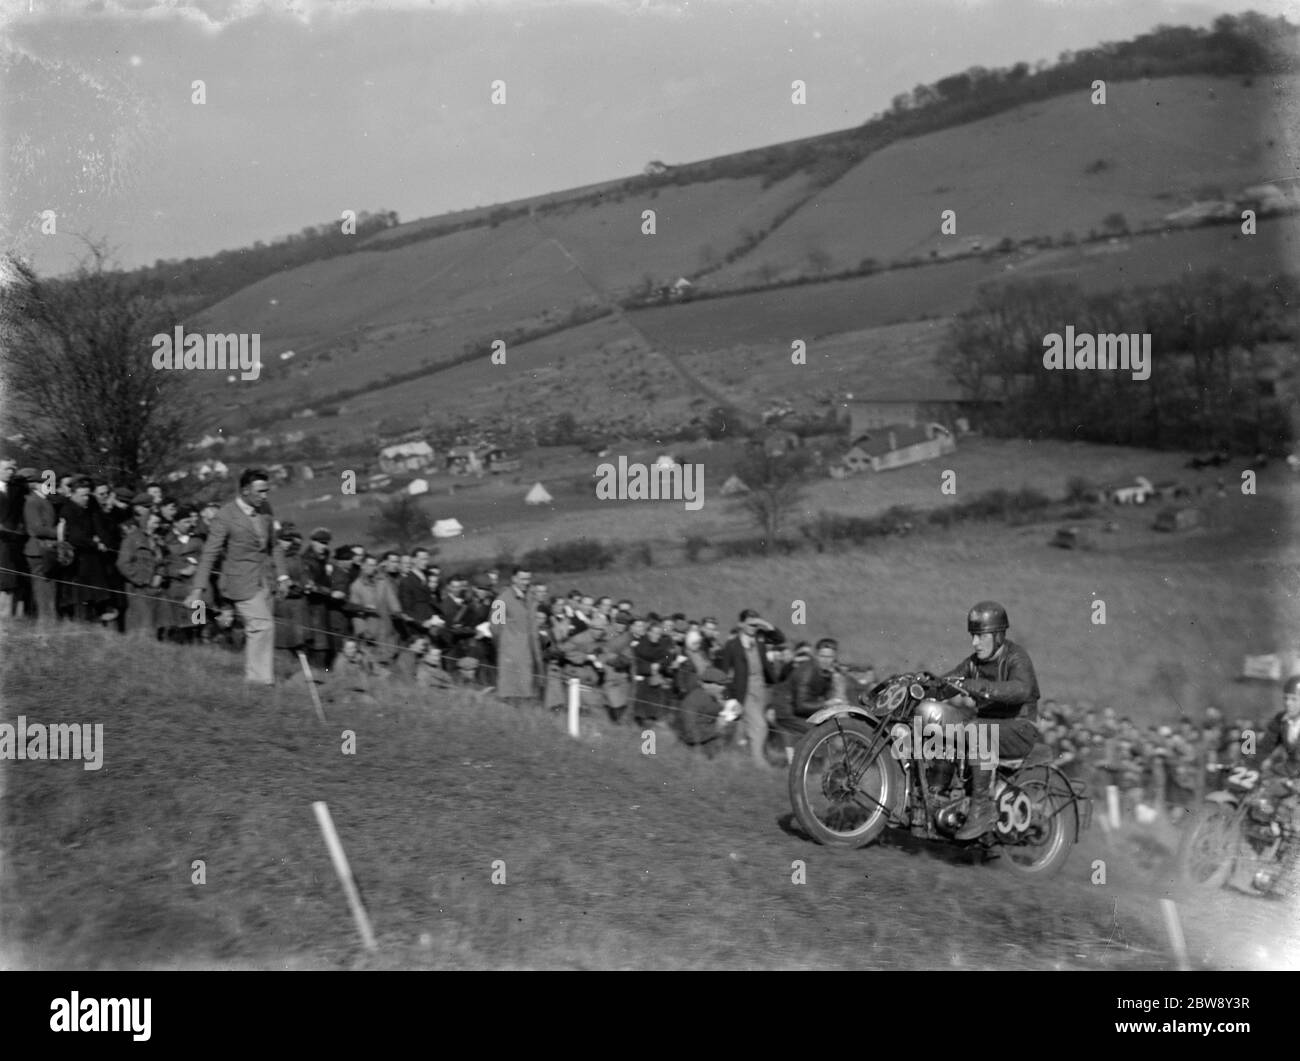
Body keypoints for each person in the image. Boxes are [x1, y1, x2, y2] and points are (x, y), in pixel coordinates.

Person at [943, 601, 1042, 840]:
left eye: (980, 636)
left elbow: (1022, 689)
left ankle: (982, 809)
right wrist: (921, 685)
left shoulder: (1016, 657)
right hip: (990, 727)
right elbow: (948, 683)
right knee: (941, 728)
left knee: (976, 730)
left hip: (1019, 728)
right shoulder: (973, 663)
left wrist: (979, 687)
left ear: (998, 636)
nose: (974, 643)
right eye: (973, 636)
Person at [187, 469, 287, 687]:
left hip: (265, 581)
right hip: (239, 582)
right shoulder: (225, 515)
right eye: (260, 491)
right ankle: (259, 681)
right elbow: (209, 554)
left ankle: (260, 679)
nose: (265, 496)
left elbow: (274, 545)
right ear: (245, 491)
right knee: (262, 626)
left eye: (267, 491)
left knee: (261, 628)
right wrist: (198, 589)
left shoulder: (266, 510)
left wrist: (283, 575)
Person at [718, 609, 784, 768]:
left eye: (756, 624)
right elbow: (724, 672)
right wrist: (730, 697)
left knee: (759, 726)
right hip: (744, 691)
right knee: (759, 725)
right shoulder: (732, 645)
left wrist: (765, 625)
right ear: (740, 624)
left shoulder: (760, 641)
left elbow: (779, 639)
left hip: (762, 689)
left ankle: (751, 756)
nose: (753, 627)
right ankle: (759, 764)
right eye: (750, 624)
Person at [769, 637, 841, 763]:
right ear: (815, 655)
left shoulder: (827, 672)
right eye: (822, 656)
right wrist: (826, 704)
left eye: (829, 657)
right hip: (786, 709)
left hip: (796, 707)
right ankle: (816, 767)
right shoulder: (807, 672)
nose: (826, 660)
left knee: (827, 729)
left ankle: (815, 765)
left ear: (834, 657)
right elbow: (801, 705)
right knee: (819, 733)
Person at [491, 566, 542, 707]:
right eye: (522, 579)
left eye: (528, 579)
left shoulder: (531, 598)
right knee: (512, 695)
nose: (526, 582)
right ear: (514, 579)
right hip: (511, 654)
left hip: (529, 652)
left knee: (528, 694)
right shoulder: (501, 600)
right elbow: (495, 628)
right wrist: (507, 646)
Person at [116, 497, 167, 637]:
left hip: (153, 590)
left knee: (153, 627)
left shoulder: (156, 541)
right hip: (137, 589)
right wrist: (141, 579)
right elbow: (123, 563)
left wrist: (159, 575)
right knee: (141, 626)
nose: (156, 526)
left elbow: (161, 562)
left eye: (158, 523)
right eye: (154, 522)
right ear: (146, 521)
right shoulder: (131, 539)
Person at [20, 468, 59, 623]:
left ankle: (49, 620)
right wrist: (58, 533)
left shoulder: (43, 501)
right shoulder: (32, 502)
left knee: (48, 586)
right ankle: (46, 622)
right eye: (46, 483)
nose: (50, 486)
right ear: (35, 485)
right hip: (37, 549)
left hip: (45, 549)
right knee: (42, 587)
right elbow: (36, 529)